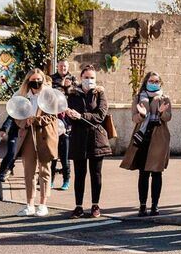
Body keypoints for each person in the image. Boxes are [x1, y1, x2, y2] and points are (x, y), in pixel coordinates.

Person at [121, 71, 172, 216]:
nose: (154, 83)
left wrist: (162, 112)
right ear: (146, 82)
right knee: (143, 173)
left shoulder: (164, 98)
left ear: (160, 83)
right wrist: (142, 114)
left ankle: (155, 206)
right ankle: (142, 206)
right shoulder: (139, 98)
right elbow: (134, 119)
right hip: (142, 137)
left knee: (157, 173)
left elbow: (168, 118)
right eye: (151, 81)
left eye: (157, 81)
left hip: (159, 138)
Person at [13, 69, 59, 217]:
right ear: (28, 81)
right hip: (27, 136)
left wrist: (37, 120)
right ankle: (29, 205)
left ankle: (43, 204)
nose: (36, 82)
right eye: (33, 79)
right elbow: (15, 116)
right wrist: (24, 122)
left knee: (45, 170)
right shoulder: (22, 97)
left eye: (39, 79)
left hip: (44, 136)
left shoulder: (49, 96)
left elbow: (53, 117)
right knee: (29, 172)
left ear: (43, 81)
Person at [64, 65, 109, 218]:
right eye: (86, 77)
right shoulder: (73, 94)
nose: (89, 80)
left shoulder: (100, 94)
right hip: (78, 139)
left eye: (92, 78)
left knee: (96, 174)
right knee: (79, 174)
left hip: (96, 139)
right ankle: (78, 206)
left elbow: (100, 115)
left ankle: (95, 205)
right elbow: (69, 118)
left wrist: (81, 116)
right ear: (81, 78)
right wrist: (71, 115)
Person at [50, 61, 74, 191]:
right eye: (60, 66)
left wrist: (67, 87)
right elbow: (49, 93)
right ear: (57, 67)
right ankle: (51, 180)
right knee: (53, 154)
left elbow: (75, 93)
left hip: (66, 120)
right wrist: (61, 85)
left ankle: (66, 180)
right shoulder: (52, 78)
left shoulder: (73, 79)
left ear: (68, 68)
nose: (63, 68)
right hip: (54, 118)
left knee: (65, 155)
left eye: (65, 66)